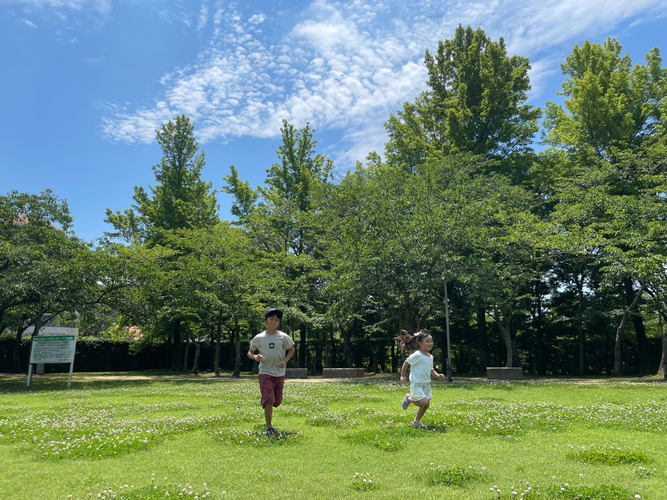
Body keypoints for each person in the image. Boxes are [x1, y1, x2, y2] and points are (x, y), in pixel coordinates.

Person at [247, 308, 295, 435]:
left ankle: (266, 399)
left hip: (279, 373)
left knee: (277, 402)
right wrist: (254, 356)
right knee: (270, 400)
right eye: (271, 319)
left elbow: (291, 349)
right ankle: (269, 427)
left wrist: (285, 361)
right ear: (265, 320)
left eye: (277, 320)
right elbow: (250, 351)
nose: (274, 322)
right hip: (265, 371)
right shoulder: (259, 338)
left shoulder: (283, 336)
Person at [397, 329, 445, 428]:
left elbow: (431, 370)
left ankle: (416, 422)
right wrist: (402, 375)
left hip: (426, 384)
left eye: (431, 341)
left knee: (426, 405)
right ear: (420, 343)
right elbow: (406, 363)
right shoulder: (417, 354)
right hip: (417, 383)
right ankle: (409, 399)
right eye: (427, 341)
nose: (430, 343)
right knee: (424, 403)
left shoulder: (430, 357)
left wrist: (438, 375)